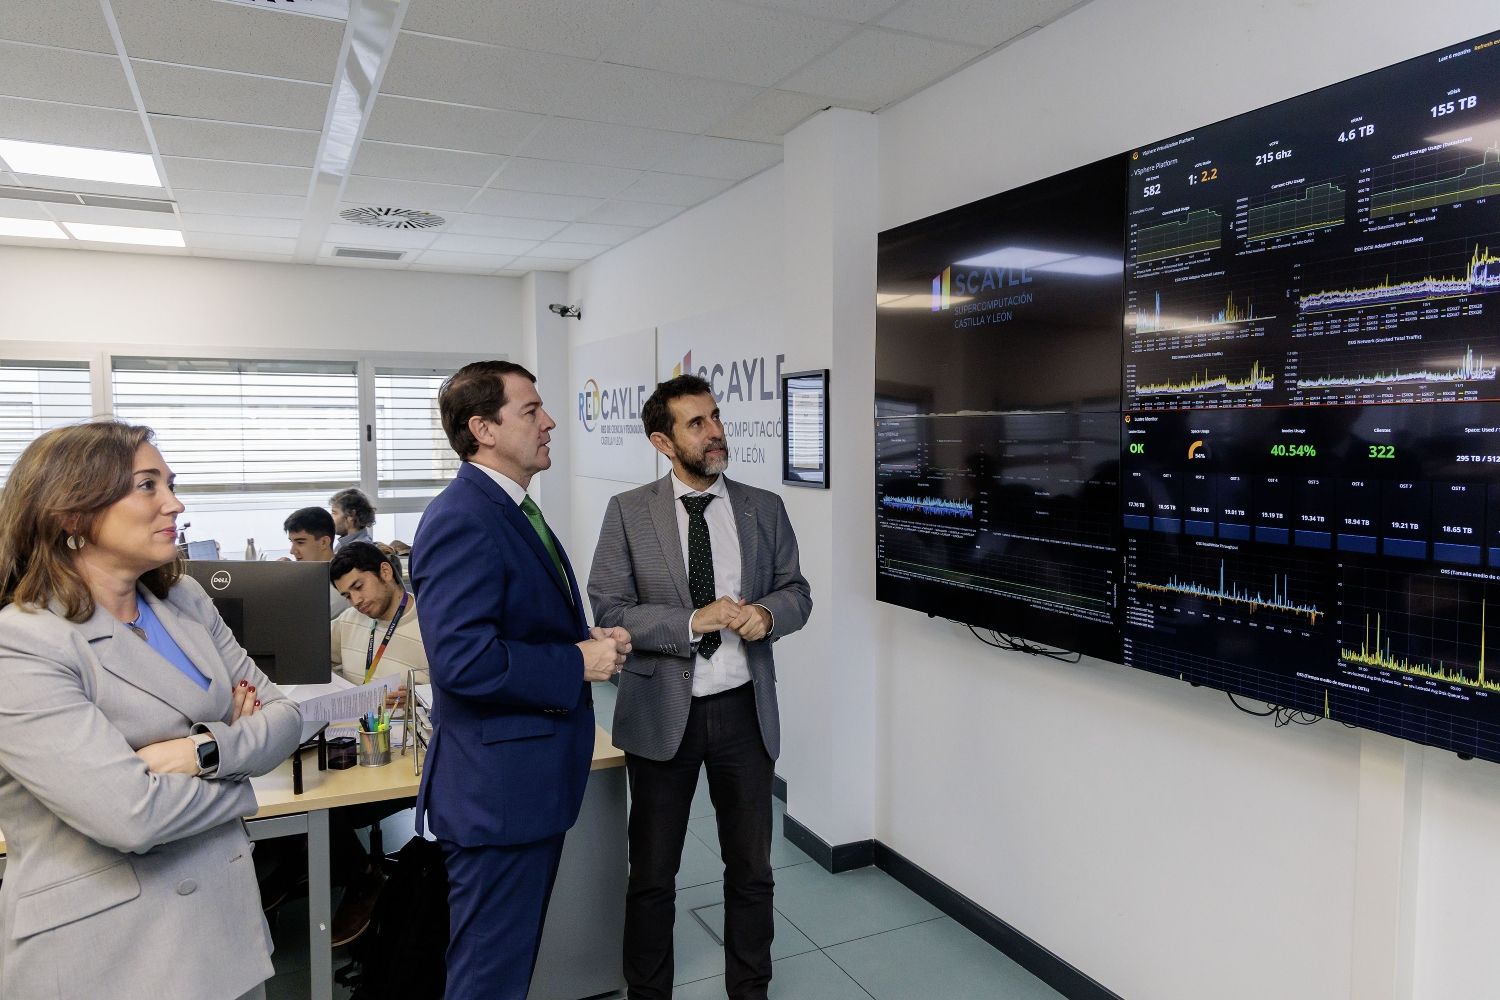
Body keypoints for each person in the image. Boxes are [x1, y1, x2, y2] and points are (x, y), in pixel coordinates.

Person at [0, 421, 303, 1000]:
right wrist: (243, 776)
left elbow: (287, 718)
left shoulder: (183, 600)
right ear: (72, 514)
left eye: (170, 483)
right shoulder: (24, 642)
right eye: (147, 485)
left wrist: (201, 751)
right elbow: (131, 815)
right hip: (112, 956)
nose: (175, 502)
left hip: (226, 932)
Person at [410, 360, 630, 1000]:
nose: (550, 421)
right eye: (531, 410)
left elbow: (513, 625)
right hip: (498, 797)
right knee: (488, 977)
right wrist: (576, 664)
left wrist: (584, 643)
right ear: (483, 428)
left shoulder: (511, 509)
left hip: (524, 786)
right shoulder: (464, 517)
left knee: (503, 966)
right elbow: (462, 660)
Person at [589, 375, 812, 1000]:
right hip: (664, 715)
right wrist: (693, 621)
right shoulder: (628, 512)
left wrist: (767, 616)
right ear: (663, 441)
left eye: (715, 417)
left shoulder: (762, 507)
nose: (715, 432)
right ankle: (648, 992)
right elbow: (610, 608)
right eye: (696, 423)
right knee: (654, 874)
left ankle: (750, 990)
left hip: (745, 713)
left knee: (751, 872)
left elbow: (797, 591)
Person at [327, 540, 427, 945]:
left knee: (323, 809)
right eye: (346, 595)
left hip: (408, 753)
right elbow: (320, 663)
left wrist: (419, 689)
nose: (355, 601)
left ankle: (362, 879)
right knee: (296, 798)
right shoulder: (350, 623)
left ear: (386, 572)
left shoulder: (433, 620)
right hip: (356, 741)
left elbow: (467, 680)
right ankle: (304, 865)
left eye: (358, 587)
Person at [283, 505, 344, 619]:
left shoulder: (339, 586)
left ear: (324, 542)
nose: (292, 551)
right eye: (292, 542)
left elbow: (299, 620)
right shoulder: (310, 576)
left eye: (300, 542)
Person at [330, 487, 377, 551]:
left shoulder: (360, 549)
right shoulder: (343, 544)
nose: (331, 518)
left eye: (334, 513)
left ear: (351, 515)